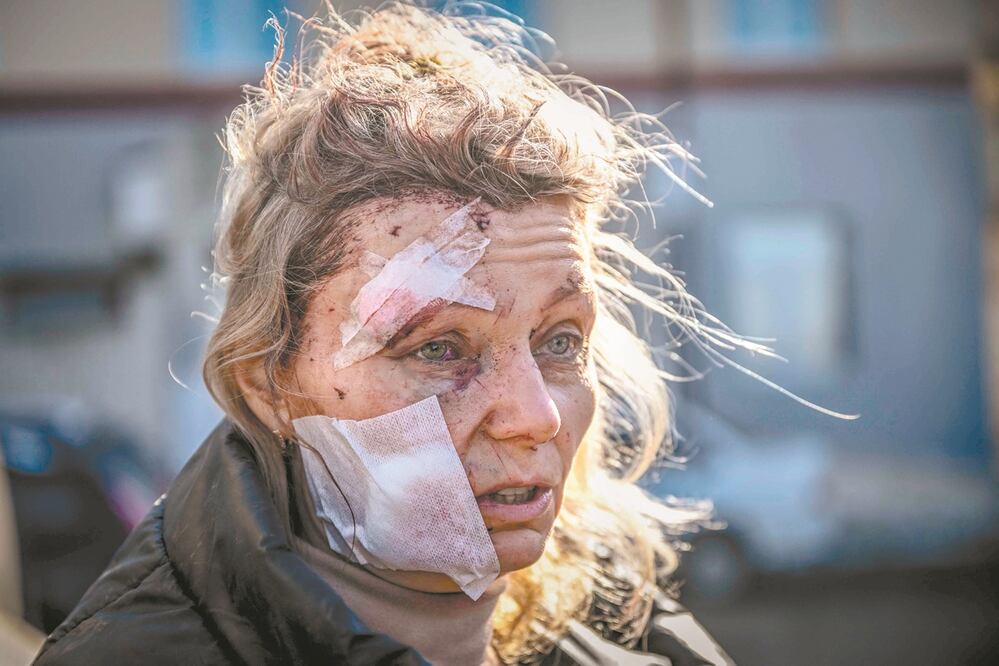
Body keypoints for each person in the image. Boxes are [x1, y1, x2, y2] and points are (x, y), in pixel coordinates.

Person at [32, 2, 737, 664]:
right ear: (269, 382)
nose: (536, 416)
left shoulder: (632, 631)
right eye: (437, 348)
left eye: (559, 341)